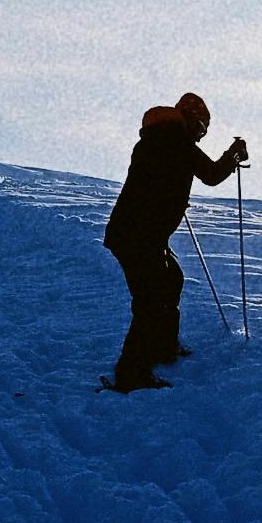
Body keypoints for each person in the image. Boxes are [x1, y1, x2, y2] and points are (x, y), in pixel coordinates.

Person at [102, 92, 247, 390]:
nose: (200, 136)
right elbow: (211, 174)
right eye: (201, 128)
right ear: (191, 121)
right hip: (139, 236)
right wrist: (233, 154)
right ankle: (133, 372)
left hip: (138, 234)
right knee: (151, 300)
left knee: (171, 278)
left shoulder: (156, 140)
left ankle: (162, 347)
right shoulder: (175, 142)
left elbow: (160, 178)